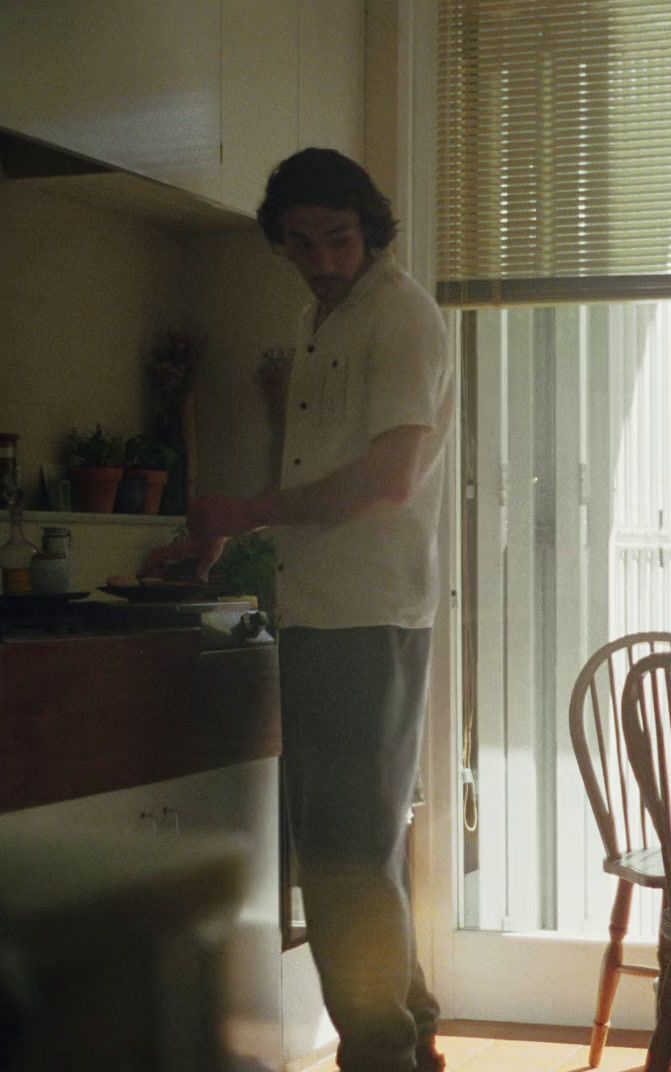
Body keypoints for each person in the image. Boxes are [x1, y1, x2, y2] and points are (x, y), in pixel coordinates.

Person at [143, 148, 453, 1072]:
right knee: (362, 853)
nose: (321, 259)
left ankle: (379, 1055)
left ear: (371, 230)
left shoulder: (398, 317)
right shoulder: (326, 315)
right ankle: (412, 1037)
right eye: (301, 243)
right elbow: (320, 475)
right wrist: (232, 537)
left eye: (338, 239)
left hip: (369, 616)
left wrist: (245, 512)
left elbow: (389, 479)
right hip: (329, 611)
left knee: (342, 862)